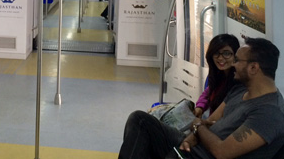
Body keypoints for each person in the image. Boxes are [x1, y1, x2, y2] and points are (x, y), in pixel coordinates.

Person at [118, 37, 284, 159]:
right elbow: (210, 121)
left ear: (254, 68)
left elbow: (221, 151)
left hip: (204, 156)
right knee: (140, 121)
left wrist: (198, 126)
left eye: (237, 60)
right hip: (197, 146)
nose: (233, 64)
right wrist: (190, 140)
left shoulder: (269, 113)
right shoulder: (239, 91)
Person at [194, 34, 240, 118]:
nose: (220, 58)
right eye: (216, 53)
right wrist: (199, 107)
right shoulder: (219, 74)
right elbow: (208, 92)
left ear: (236, 55)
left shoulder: (238, 81)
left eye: (226, 53)